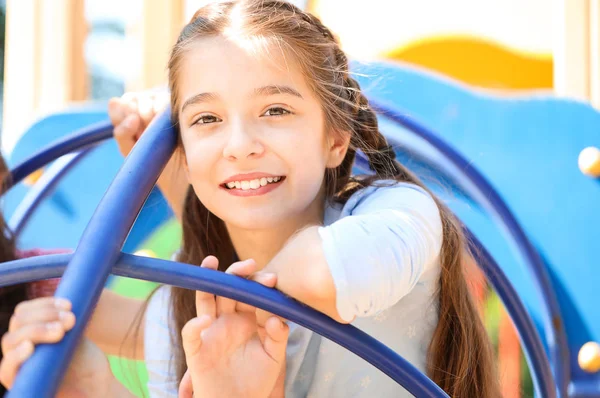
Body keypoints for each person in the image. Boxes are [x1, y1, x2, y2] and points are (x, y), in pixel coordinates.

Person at [0, 1, 501, 397]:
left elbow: (319, 272)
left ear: (335, 138)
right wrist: (93, 387)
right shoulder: (176, 312)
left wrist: (180, 192)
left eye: (276, 109)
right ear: (186, 151)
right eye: (206, 120)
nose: (240, 145)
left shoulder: (396, 211)